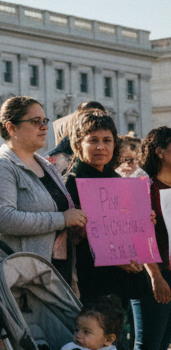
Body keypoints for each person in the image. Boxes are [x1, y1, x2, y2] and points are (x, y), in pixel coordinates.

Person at [0, 98, 84, 286]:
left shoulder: (47, 166)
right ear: (12, 128)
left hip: (55, 277)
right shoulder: (0, 164)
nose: (44, 127)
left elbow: (66, 213)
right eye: (36, 122)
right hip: (20, 283)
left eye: (45, 121)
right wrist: (62, 219)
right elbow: (3, 219)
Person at [63, 107, 147, 307]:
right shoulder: (71, 184)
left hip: (118, 284)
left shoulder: (117, 180)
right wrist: (113, 258)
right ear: (78, 144)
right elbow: (72, 242)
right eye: (93, 140)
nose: (100, 147)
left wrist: (144, 220)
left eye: (107, 140)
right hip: (87, 285)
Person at [131, 127, 171, 350]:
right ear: (160, 151)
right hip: (152, 276)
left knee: (162, 349)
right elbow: (138, 234)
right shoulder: (143, 183)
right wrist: (156, 276)